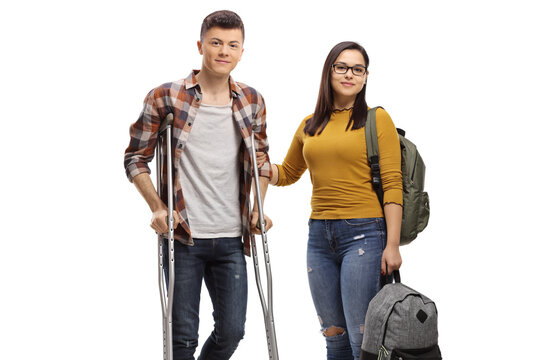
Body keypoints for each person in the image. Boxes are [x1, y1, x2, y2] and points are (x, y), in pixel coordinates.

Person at [124, 10, 273, 360]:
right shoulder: (166, 96)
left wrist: (258, 208)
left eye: (232, 45)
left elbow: (261, 161)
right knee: (182, 341)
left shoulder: (252, 100)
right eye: (216, 43)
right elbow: (135, 159)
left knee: (233, 332)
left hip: (232, 237)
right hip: (183, 235)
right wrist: (158, 207)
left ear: (241, 51)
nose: (224, 51)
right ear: (200, 46)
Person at [258, 41, 403, 360]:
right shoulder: (311, 124)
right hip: (319, 237)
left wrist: (392, 244)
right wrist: (262, 165)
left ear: (366, 77)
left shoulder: (377, 120)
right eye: (342, 66)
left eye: (358, 68)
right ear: (329, 71)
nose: (349, 74)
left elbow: (393, 185)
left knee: (361, 338)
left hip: (365, 235)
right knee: (333, 336)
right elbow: (289, 172)